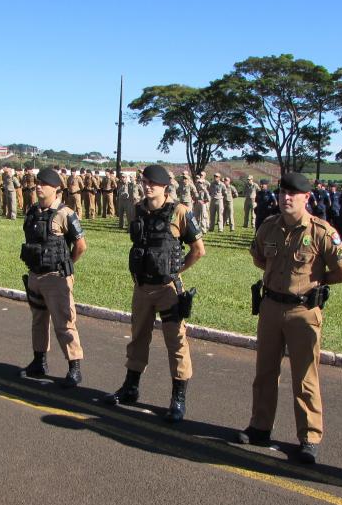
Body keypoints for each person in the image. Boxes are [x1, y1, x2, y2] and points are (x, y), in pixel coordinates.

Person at [237, 172, 342, 464]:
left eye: (293, 194)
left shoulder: (321, 232)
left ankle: (309, 438)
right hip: (271, 307)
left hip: (303, 312)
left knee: (305, 378)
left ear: (306, 198)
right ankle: (260, 427)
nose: (286, 198)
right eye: (282, 193)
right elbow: (259, 257)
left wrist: (316, 280)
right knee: (264, 372)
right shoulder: (269, 227)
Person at [103, 164, 206, 423]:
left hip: (167, 289)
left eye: (153, 183)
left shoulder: (180, 212)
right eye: (145, 182)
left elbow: (198, 249)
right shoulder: (138, 210)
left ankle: (178, 398)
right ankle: (131, 387)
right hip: (142, 287)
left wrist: (177, 270)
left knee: (176, 343)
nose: (147, 187)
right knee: (137, 338)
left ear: (164, 187)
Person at [19, 168, 87, 387]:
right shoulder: (32, 212)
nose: (39, 186)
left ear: (56, 189)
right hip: (35, 275)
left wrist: (67, 265)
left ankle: (74, 368)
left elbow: (80, 245)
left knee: (64, 323)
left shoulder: (65, 214)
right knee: (38, 321)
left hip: (56, 278)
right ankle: (39, 361)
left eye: (44, 184)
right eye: (38, 183)